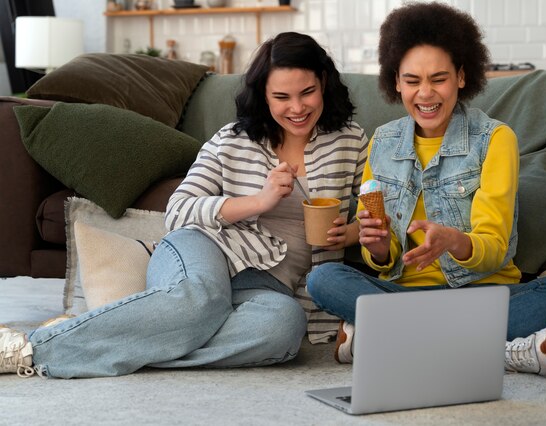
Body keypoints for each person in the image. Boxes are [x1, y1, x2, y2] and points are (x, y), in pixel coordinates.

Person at [0, 32, 368, 379]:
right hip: (203, 250)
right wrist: (258, 201)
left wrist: (347, 233)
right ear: (263, 96)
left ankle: (123, 343)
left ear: (324, 84)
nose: (298, 108)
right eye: (282, 97)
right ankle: (32, 349)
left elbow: (367, 217)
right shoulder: (232, 139)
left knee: (284, 329)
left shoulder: (350, 141)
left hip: (268, 286)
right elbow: (179, 210)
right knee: (200, 299)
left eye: (308, 92)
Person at [306, 3, 546, 378]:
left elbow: (494, 248)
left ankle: (385, 339)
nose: (425, 94)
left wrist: (454, 241)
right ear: (396, 82)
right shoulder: (383, 142)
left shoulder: (494, 139)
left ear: (460, 76)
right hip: (404, 296)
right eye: (412, 80)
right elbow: (385, 253)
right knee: (323, 280)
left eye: (438, 78)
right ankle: (498, 349)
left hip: (480, 296)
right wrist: (376, 248)